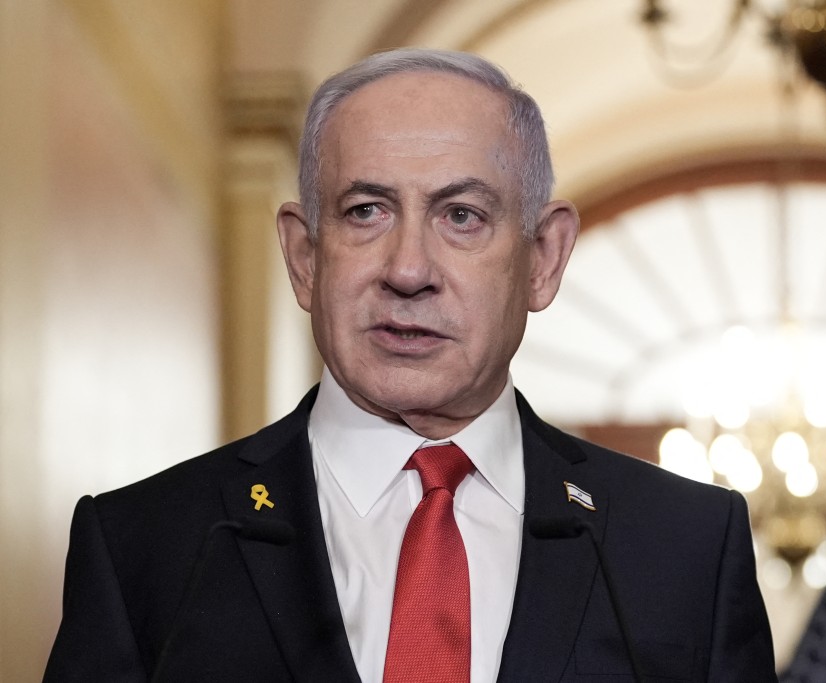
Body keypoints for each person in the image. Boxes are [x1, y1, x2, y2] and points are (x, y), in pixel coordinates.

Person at [44, 48, 776, 682]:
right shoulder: (145, 544)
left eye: (462, 215)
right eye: (367, 210)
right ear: (304, 257)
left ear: (543, 259)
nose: (409, 269)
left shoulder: (684, 548)